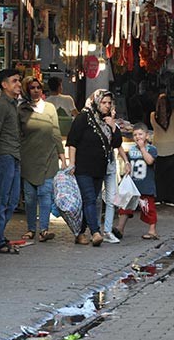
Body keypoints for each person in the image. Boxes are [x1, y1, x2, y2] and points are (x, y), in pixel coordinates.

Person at [67, 89, 122, 246]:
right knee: (90, 198)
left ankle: (79, 233)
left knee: (89, 201)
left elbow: (116, 143)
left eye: (109, 103)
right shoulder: (84, 117)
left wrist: (113, 126)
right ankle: (95, 232)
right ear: (97, 101)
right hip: (83, 167)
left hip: (99, 168)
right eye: (104, 102)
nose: (106, 106)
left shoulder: (106, 120)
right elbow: (72, 141)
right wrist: (72, 163)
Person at [18, 76, 65, 243]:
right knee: (30, 196)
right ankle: (31, 228)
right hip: (29, 157)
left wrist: (62, 157)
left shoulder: (50, 108)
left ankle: (44, 229)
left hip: (49, 157)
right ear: (27, 90)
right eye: (32, 88)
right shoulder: (22, 110)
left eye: (38, 87)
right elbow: (17, 134)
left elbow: (56, 132)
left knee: (45, 194)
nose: (36, 90)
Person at [0, 68, 23, 255]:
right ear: (4, 84)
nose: (18, 84)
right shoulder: (0, 105)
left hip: (14, 155)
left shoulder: (12, 104)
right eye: (14, 81)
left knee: (12, 199)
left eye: (19, 80)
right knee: (1, 199)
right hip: (3, 156)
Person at [115, 123, 159, 239]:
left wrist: (143, 149)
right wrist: (127, 165)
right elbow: (128, 162)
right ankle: (120, 228)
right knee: (125, 206)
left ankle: (152, 230)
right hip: (133, 185)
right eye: (135, 135)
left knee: (148, 208)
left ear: (147, 136)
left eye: (140, 134)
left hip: (146, 185)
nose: (137, 137)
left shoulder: (152, 149)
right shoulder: (131, 149)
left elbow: (150, 161)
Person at [150, 93, 174, 206]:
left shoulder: (152, 116)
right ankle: (173, 198)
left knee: (159, 175)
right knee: (173, 176)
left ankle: (160, 197)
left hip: (158, 149)